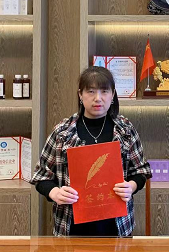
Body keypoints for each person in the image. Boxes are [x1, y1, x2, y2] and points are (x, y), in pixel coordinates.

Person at [31, 66, 152, 237]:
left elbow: (141, 171)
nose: (98, 98)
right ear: (80, 95)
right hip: (71, 226)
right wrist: (55, 193)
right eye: (91, 91)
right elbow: (41, 176)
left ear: (112, 94)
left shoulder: (125, 130)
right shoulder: (63, 132)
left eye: (104, 91)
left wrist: (130, 187)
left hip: (117, 227)